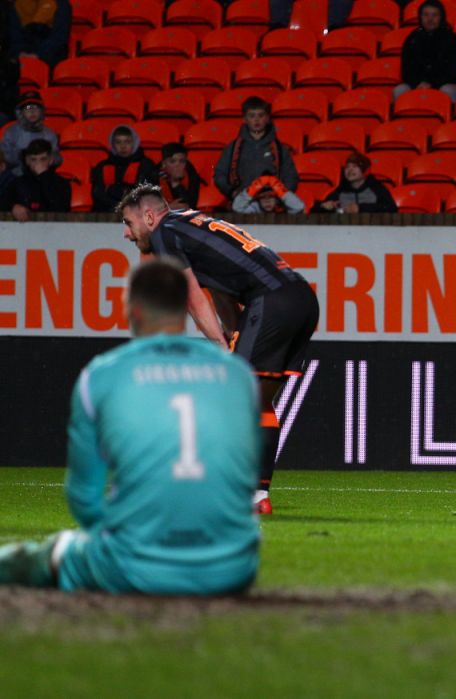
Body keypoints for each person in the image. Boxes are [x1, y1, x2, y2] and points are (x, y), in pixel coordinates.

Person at [0, 259, 262, 593]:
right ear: (183, 312)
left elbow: (84, 499)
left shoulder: (103, 375)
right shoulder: (238, 375)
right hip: (231, 569)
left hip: (133, 568)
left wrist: (126, 539)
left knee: (54, 551)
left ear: (132, 311)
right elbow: (244, 478)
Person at [117, 184, 319, 516]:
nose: (126, 233)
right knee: (255, 401)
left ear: (149, 217)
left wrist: (219, 347)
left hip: (271, 302)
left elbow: (193, 298)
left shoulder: (164, 233)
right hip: (301, 299)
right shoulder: (189, 224)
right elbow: (223, 294)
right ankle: (256, 496)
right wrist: (232, 340)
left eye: (128, 222)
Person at [213, 96, 299, 202]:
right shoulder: (233, 148)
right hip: (242, 204)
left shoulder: (280, 149)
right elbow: (220, 174)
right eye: (252, 116)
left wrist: (279, 196)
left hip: (271, 204)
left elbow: (291, 177)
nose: (256, 119)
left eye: (261, 115)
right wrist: (232, 192)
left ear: (267, 118)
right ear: (245, 119)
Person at [394, 0, 456, 104]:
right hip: (418, 84)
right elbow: (406, 70)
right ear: (420, 17)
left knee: (447, 90)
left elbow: (454, 71)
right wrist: (418, 83)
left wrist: (431, 84)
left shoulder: (453, 39)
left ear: (441, 17)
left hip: (446, 83)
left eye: (434, 15)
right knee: (399, 90)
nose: (430, 19)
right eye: (426, 15)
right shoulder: (412, 39)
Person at [90, 124, 158, 213]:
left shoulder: (146, 165)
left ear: (134, 143)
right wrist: (122, 194)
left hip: (138, 214)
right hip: (107, 214)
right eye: (118, 142)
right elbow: (97, 194)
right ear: (112, 144)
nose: (123, 146)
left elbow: (145, 194)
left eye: (127, 142)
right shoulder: (102, 166)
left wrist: (110, 190)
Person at [314, 151, 398, 214]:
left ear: (366, 170)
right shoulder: (341, 190)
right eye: (347, 167)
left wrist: (360, 208)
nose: (350, 170)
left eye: (355, 166)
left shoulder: (376, 188)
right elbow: (314, 210)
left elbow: (391, 208)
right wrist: (323, 207)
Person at [7, 137, 69, 220]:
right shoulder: (17, 183)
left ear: (51, 160)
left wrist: (44, 176)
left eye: (43, 159)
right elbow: (4, 203)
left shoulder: (62, 183)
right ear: (27, 161)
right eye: (33, 159)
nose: (38, 164)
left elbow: (60, 209)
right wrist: (13, 207)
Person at [1, 90, 61, 176]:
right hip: (16, 176)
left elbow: (56, 158)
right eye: (28, 107)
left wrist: (42, 160)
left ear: (42, 111)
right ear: (21, 112)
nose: (32, 111)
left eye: (35, 107)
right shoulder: (11, 132)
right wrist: (24, 159)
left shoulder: (49, 134)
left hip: (42, 174)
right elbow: (5, 156)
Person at [9, 0, 71, 67]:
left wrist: (39, 55)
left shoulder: (61, 4)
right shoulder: (17, 4)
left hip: (49, 55)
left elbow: (59, 37)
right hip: (21, 54)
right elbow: (14, 35)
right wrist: (20, 53)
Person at [231, 173, 305, 214]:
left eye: (271, 196)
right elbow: (237, 207)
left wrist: (281, 191)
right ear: (258, 199)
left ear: (276, 199)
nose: (267, 200)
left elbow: (299, 207)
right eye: (263, 197)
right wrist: (252, 189)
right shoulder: (255, 209)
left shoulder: (282, 210)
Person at [156, 142, 201, 210]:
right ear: (164, 164)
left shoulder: (192, 176)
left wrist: (176, 184)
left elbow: (190, 206)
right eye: (172, 161)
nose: (178, 165)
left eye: (182, 161)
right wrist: (168, 208)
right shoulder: (153, 176)